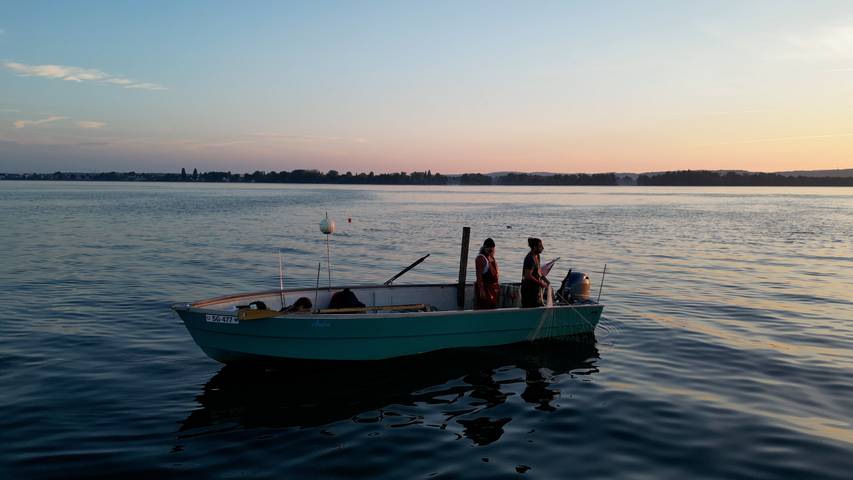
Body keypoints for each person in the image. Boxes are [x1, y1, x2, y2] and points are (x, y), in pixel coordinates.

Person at [521, 237, 549, 308]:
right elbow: (528, 275)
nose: (543, 248)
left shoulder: (537, 256)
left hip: (535, 290)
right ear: (534, 247)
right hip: (528, 291)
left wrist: (546, 280)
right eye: (540, 246)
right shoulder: (529, 258)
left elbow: (538, 271)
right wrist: (540, 283)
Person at [474, 238, 500, 309]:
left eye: (493, 249)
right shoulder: (481, 258)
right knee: (485, 307)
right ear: (484, 248)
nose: (492, 251)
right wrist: (482, 290)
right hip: (486, 289)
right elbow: (479, 277)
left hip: (493, 289)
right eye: (490, 249)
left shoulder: (492, 257)